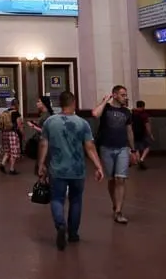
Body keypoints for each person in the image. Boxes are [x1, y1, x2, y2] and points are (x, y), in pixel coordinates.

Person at [38, 91, 104, 250]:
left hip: (57, 169)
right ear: (74, 103)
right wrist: (98, 166)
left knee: (57, 199)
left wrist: (41, 165)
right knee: (76, 200)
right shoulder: (83, 124)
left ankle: (60, 225)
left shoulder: (50, 122)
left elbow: (43, 145)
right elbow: (90, 147)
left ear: (60, 103)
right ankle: (73, 233)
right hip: (77, 169)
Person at [91, 85, 136, 224]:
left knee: (120, 179)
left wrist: (133, 150)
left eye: (126, 95)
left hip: (122, 147)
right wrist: (105, 101)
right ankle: (115, 204)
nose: (125, 97)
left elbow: (129, 131)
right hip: (106, 148)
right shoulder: (106, 109)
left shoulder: (127, 112)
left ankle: (119, 211)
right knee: (111, 180)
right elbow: (95, 114)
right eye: (122, 95)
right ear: (115, 95)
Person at [131, 101, 153, 170]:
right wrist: (150, 134)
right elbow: (147, 125)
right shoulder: (144, 114)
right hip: (143, 133)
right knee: (147, 146)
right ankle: (142, 159)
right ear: (143, 106)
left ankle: (138, 160)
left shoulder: (132, 113)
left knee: (136, 148)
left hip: (134, 133)